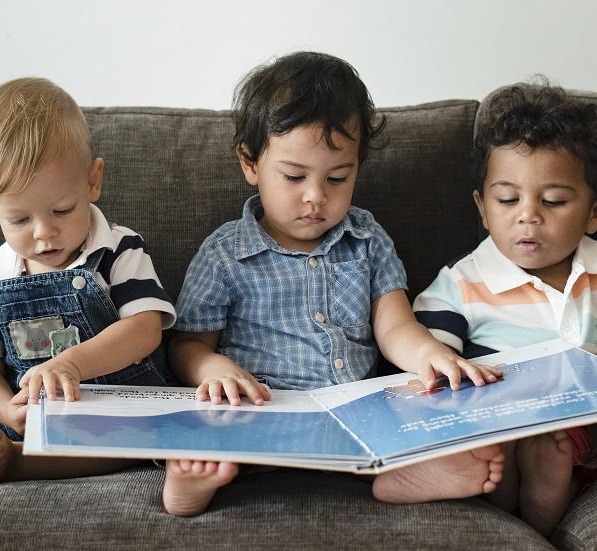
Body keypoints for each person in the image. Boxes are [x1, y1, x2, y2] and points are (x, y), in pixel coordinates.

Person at [162, 51, 505, 516]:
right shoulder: (225, 253)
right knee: (207, 426)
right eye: (294, 176)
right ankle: (194, 484)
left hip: (359, 413)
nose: (316, 197)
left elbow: (394, 326)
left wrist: (430, 357)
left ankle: (400, 471)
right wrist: (212, 369)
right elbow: (185, 344)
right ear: (250, 163)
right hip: (264, 410)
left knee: (423, 408)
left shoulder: (366, 239)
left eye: (338, 177)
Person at [413, 81, 597, 536]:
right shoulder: (461, 282)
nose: (528, 215)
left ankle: (542, 498)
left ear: (595, 212)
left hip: (573, 420)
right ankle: (508, 485)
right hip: (493, 413)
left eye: (553, 201)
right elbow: (429, 365)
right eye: (508, 199)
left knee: (553, 444)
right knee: (496, 443)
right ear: (482, 209)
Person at [0, 77, 177, 483]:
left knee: (142, 433)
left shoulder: (117, 250)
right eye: (19, 219)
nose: (43, 233)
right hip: (24, 417)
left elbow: (145, 329)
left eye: (62, 210)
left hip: (109, 412)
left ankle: (21, 462)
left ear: (93, 181)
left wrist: (72, 364)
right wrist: (7, 410)